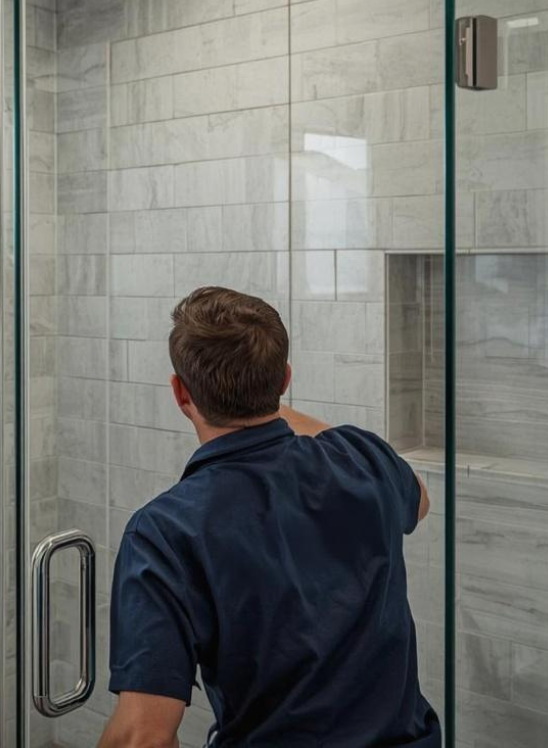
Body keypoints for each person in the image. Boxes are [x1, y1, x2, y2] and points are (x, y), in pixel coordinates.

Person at [99, 287, 439, 748]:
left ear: (181, 393)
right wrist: (264, 394)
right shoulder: (361, 458)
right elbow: (418, 500)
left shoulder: (165, 532)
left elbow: (144, 736)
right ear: (285, 380)